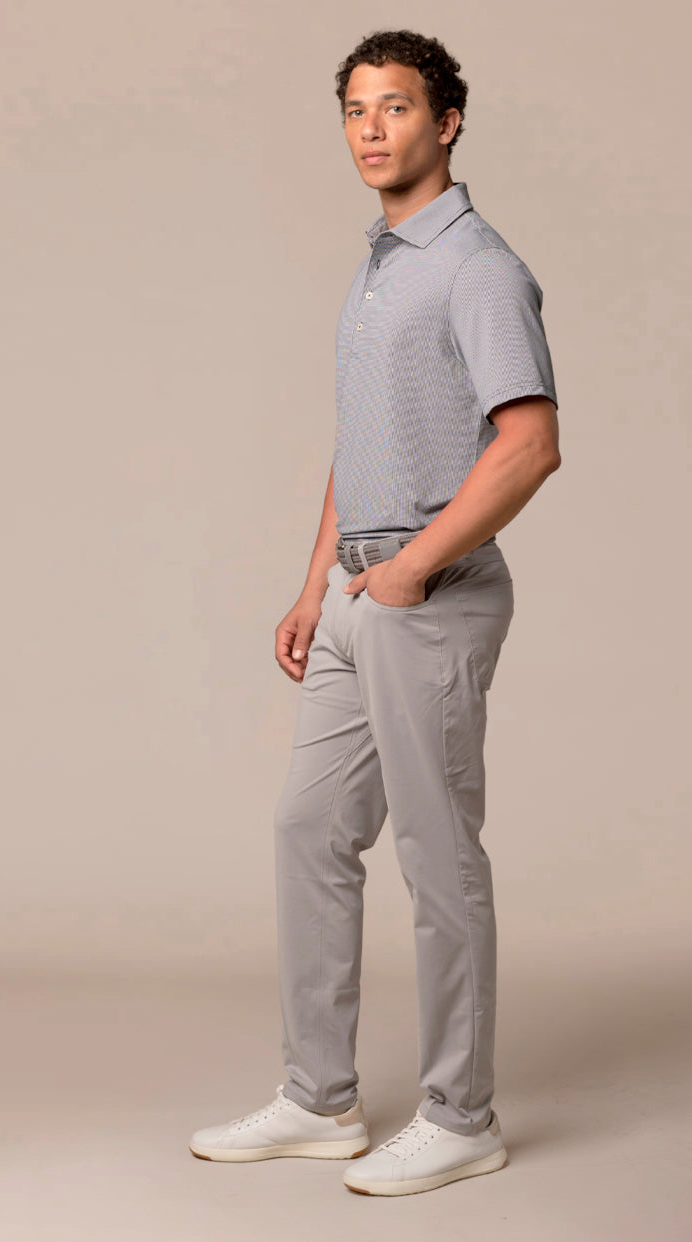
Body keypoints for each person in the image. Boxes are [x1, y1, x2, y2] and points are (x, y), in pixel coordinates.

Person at [189, 29, 561, 1197]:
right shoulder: (381, 264)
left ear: (445, 122)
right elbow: (363, 448)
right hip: (359, 594)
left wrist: (410, 569)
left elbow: (530, 444)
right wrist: (318, 583)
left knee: (436, 856)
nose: (370, 127)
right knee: (309, 832)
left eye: (394, 106)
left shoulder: (477, 267)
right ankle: (319, 1098)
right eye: (355, 108)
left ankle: (461, 1115)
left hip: (430, 598)